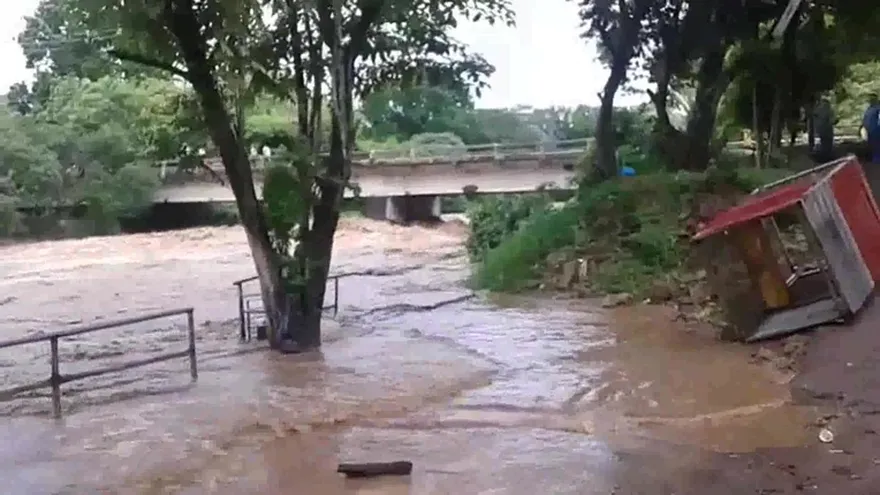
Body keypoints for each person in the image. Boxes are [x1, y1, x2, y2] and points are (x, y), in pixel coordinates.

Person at [862, 95, 880, 163]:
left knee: (875, 147)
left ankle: (876, 160)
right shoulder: (871, 109)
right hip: (872, 131)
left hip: (874, 130)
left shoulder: (873, 109)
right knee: (874, 147)